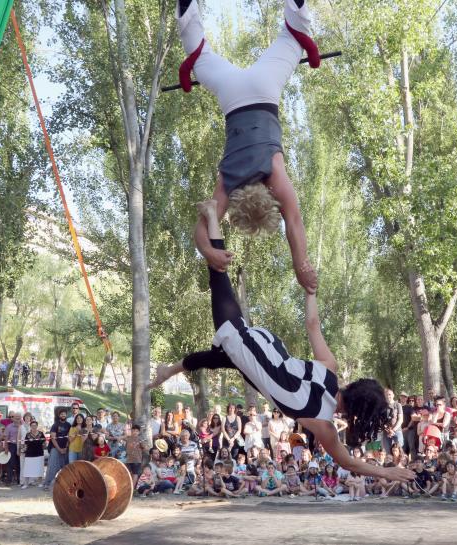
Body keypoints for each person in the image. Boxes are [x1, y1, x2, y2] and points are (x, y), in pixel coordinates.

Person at [147, 200, 414, 485]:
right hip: (247, 348)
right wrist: (386, 471)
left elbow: (312, 325)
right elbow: (347, 461)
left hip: (269, 346)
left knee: (217, 358)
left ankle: (169, 370)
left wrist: (310, 290)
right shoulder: (322, 423)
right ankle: (212, 214)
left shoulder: (331, 369)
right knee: (218, 273)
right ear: (356, 413)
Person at [176, 0, 320, 294]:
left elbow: (293, 220)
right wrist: (208, 251)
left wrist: (302, 267)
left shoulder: (273, 173)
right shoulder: (227, 183)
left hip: (264, 88)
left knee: (294, 34)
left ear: (269, 197)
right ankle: (187, 13)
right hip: (232, 96)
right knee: (197, 51)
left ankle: (297, 6)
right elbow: (200, 232)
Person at [43, 410, 71, 490]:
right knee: (52, 467)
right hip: (55, 449)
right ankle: (47, 484)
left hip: (65, 449)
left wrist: (65, 448)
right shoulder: (55, 425)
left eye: (64, 414)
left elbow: (69, 438)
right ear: (59, 415)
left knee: (65, 467)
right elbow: (53, 438)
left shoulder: (68, 425)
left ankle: (65, 485)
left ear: (66, 415)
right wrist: (59, 449)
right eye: (61, 414)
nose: (63, 415)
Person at [21, 420, 46, 489]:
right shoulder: (28, 434)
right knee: (27, 469)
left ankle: (40, 482)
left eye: (35, 425)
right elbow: (25, 444)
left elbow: (44, 443)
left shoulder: (41, 433)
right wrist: (23, 450)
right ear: (30, 426)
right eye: (32, 426)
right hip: (29, 454)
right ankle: (26, 484)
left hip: (39, 454)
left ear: (37, 426)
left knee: (39, 469)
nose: (34, 427)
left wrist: (44, 446)